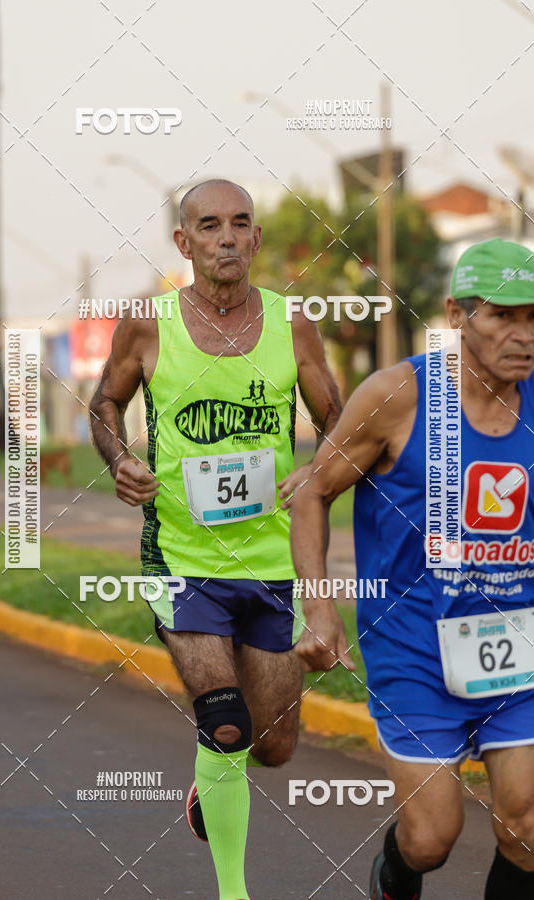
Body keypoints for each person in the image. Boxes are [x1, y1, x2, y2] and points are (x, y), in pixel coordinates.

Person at [89, 179, 342, 900]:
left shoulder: (293, 327)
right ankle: (234, 891)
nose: (227, 237)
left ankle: (209, 784)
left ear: (257, 239)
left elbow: (339, 422)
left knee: (275, 746)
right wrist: (121, 458)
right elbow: (106, 400)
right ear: (184, 243)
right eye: (210, 225)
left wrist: (318, 475)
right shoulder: (147, 326)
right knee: (226, 723)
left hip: (274, 564)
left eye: (240, 224)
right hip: (182, 559)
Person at [290, 237, 534, 900]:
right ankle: (396, 871)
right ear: (457, 314)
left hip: (518, 645)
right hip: (414, 647)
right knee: (431, 839)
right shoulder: (399, 395)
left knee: (528, 828)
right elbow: (312, 490)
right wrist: (319, 608)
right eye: (502, 316)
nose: (523, 335)